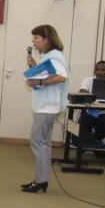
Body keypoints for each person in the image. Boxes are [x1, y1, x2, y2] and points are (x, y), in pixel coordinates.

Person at [23, 24, 69, 193]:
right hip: (46, 105)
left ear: (47, 39)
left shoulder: (54, 56)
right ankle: (41, 179)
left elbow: (61, 77)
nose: (34, 42)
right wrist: (35, 66)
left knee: (37, 142)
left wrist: (39, 82)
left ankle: (40, 180)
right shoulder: (48, 55)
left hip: (47, 107)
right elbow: (49, 74)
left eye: (36, 38)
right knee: (43, 143)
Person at [76, 60, 105, 146]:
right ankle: (95, 145)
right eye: (97, 69)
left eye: (103, 70)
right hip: (89, 112)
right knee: (82, 126)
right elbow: (83, 91)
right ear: (94, 71)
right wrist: (84, 93)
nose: (99, 72)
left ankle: (92, 143)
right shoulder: (88, 80)